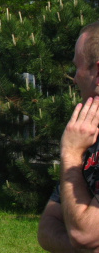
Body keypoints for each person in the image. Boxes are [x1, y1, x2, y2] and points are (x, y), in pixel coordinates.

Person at [38, 21, 99, 251]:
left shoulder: (77, 145)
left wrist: (71, 154)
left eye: (77, 67)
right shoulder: (88, 135)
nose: (74, 78)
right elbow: (46, 228)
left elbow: (85, 234)